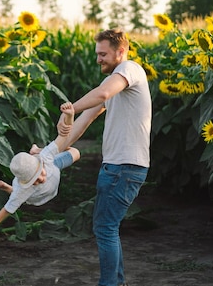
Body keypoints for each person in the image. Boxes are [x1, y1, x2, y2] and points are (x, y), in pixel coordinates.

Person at [57, 29, 151, 286]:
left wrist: (69, 109)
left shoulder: (130, 69)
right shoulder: (113, 84)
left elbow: (100, 96)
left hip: (124, 167)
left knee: (106, 228)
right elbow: (84, 122)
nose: (98, 59)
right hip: (116, 167)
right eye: (97, 54)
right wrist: (50, 150)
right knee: (107, 228)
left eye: (103, 54)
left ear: (121, 51)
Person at [0, 102, 79, 239]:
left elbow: (64, 135)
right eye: (35, 180)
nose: (42, 179)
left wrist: (69, 116)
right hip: (35, 197)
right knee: (19, 196)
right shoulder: (23, 190)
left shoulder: (45, 158)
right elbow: (7, 209)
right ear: (26, 181)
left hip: (53, 166)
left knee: (76, 152)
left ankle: (36, 151)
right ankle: (2, 185)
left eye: (40, 174)